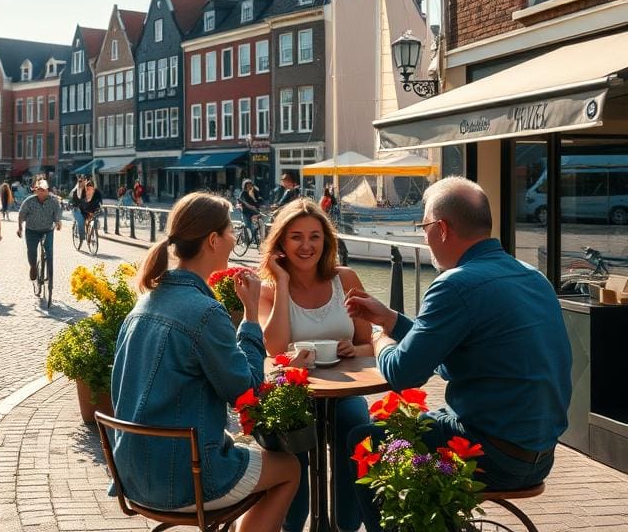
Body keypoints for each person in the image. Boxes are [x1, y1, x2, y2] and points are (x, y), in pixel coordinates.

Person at [345, 176, 573, 532]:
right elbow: (452, 358)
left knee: (364, 439)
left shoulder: (455, 284)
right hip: (540, 455)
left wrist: (375, 335)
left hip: (494, 455)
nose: (423, 236)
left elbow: (403, 373)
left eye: (423, 227)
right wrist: (391, 320)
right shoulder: (532, 277)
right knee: (422, 424)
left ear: (442, 228)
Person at [110, 192, 300, 531]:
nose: (235, 238)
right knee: (290, 469)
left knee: (242, 448)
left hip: (132, 474)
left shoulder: (144, 303)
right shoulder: (204, 311)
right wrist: (252, 316)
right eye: (232, 231)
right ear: (213, 240)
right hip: (185, 480)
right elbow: (248, 393)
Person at [258, 199, 373, 532]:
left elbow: (371, 344)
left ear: (326, 241)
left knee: (355, 430)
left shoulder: (346, 279)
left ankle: (342, 527)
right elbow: (274, 349)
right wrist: (280, 282)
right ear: (280, 241)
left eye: (315, 237)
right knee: (292, 447)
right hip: (291, 395)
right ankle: (292, 526)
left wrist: (356, 348)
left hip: (343, 392)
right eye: (296, 237)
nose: (306, 246)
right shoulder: (267, 290)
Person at [16, 179, 62, 285]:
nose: (41, 192)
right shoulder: (29, 201)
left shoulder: (53, 201)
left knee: (49, 252)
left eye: (43, 190)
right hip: (32, 230)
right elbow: (21, 215)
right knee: (31, 251)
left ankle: (49, 273)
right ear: (36, 191)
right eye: (39, 190)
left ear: (47, 191)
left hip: (48, 230)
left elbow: (57, 214)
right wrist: (20, 228)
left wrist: (58, 222)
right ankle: (33, 267)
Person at [238, 179, 264, 247]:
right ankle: (247, 242)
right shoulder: (244, 193)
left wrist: (260, 205)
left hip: (253, 212)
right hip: (246, 212)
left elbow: (258, 201)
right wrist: (253, 207)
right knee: (248, 226)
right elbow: (246, 203)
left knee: (257, 225)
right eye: (248, 185)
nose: (249, 186)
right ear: (245, 186)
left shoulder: (253, 192)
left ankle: (255, 239)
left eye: (250, 185)